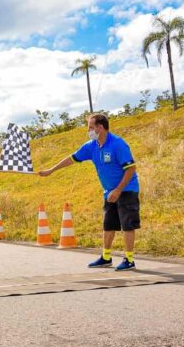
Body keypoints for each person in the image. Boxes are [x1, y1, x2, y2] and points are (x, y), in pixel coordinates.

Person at [38, 113, 140, 271]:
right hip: (109, 192)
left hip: (126, 189)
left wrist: (119, 190)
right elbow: (71, 158)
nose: (89, 131)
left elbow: (131, 168)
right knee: (108, 225)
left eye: (91, 128)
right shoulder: (91, 146)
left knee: (127, 225)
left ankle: (129, 259)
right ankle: (106, 257)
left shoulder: (118, 144)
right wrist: (51, 170)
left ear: (100, 127)